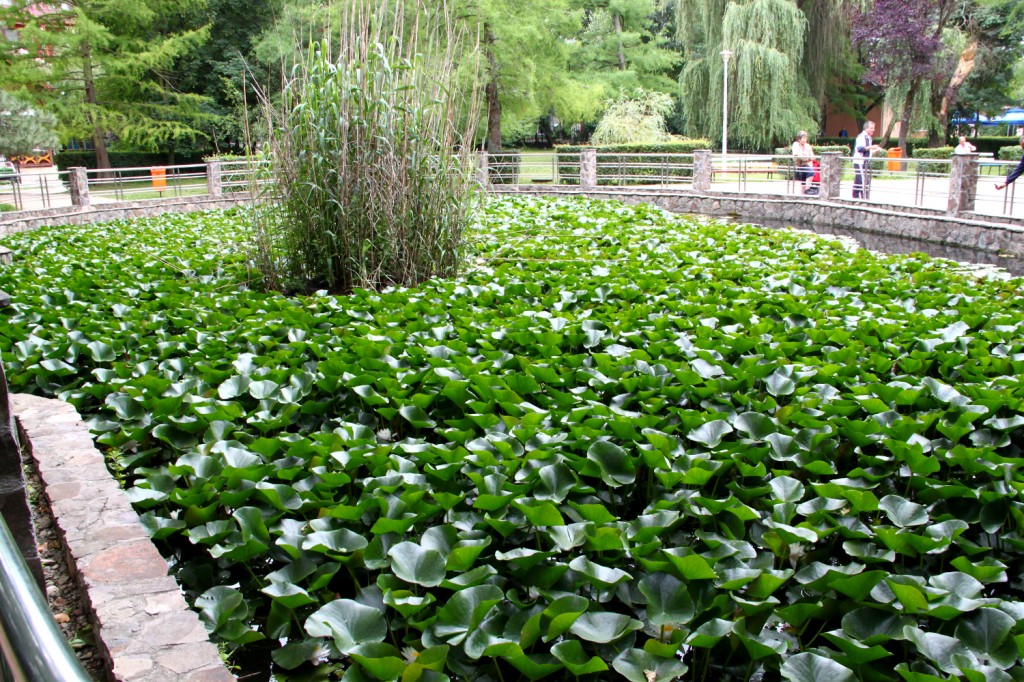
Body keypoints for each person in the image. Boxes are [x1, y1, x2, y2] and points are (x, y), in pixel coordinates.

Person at [853, 120, 885, 199]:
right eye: (871, 128)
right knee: (862, 181)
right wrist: (872, 147)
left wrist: (874, 151)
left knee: (859, 180)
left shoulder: (869, 138)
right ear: (866, 128)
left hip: (865, 162)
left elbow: (867, 151)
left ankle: (855, 197)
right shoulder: (862, 136)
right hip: (859, 162)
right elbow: (860, 149)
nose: (873, 130)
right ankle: (864, 199)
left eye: (873, 128)